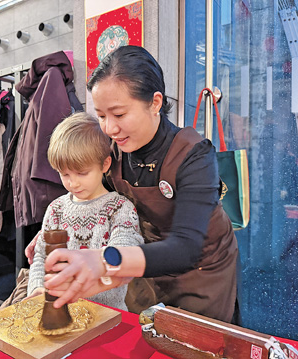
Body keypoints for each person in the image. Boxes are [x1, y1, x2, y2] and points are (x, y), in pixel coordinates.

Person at [27, 45, 239, 323]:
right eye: (101, 116)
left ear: (155, 103)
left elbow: (185, 249)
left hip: (201, 273)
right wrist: (53, 230)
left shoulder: (194, 156)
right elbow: (94, 197)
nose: (109, 129)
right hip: (139, 266)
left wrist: (104, 259)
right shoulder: (112, 152)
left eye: (119, 114)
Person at [11, 112, 143, 311]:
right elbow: (41, 256)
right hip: (62, 310)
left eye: (82, 173)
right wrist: (37, 289)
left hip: (107, 313)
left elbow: (124, 250)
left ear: (104, 164)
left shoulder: (119, 209)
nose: (72, 182)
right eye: (64, 174)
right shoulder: (56, 209)